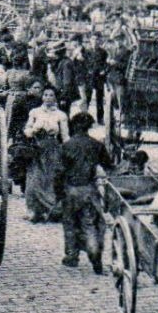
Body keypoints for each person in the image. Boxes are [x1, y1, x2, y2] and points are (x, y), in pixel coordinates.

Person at [56, 111, 114, 272]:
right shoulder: (97, 145)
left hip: (71, 190)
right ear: (89, 126)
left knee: (70, 223)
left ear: (73, 126)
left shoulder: (66, 146)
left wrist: (58, 193)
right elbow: (109, 166)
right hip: (89, 190)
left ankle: (72, 256)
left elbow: (59, 172)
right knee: (89, 223)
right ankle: (94, 253)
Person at [22, 86, 68, 222]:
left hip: (53, 149)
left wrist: (67, 150)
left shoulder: (61, 115)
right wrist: (34, 130)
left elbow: (65, 136)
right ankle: (33, 210)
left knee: (51, 178)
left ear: (55, 98)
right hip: (37, 148)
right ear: (42, 97)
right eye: (46, 95)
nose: (48, 98)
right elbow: (27, 129)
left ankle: (51, 210)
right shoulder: (35, 112)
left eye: (51, 95)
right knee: (34, 178)